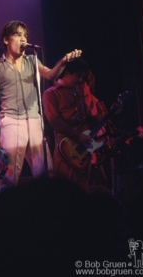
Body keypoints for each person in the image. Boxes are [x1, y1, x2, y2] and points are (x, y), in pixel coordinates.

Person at [0, 20, 82, 189]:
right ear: (6, 40)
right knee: (10, 174)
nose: (23, 39)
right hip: (11, 122)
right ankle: (4, 210)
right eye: (18, 35)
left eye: (25, 35)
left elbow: (51, 74)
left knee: (44, 172)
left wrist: (64, 60)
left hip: (34, 121)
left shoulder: (32, 61)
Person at [42, 59, 92, 190]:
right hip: (65, 149)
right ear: (66, 74)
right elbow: (55, 122)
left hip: (82, 150)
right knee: (66, 191)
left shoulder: (77, 93)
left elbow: (88, 118)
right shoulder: (51, 94)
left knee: (84, 190)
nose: (81, 80)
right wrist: (77, 135)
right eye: (78, 75)